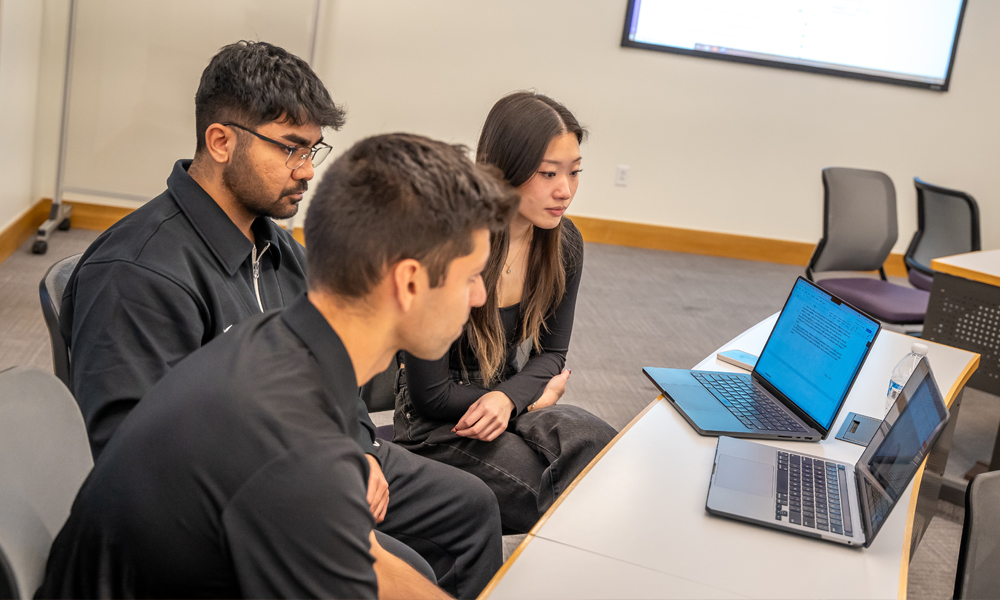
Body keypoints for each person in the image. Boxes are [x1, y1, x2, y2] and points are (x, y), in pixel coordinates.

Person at [59, 41, 502, 598]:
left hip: (300, 449)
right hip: (218, 509)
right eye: (292, 149)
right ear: (220, 141)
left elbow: (323, 372)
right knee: (404, 562)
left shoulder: (276, 248)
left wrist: (357, 450)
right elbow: (126, 452)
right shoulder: (137, 272)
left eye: (314, 151)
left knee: (467, 506)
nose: (307, 171)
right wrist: (335, 472)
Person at [394, 91, 618, 534]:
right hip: (436, 422)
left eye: (574, 173)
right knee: (555, 496)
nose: (565, 190)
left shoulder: (563, 243)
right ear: (504, 173)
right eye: (548, 173)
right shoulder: (449, 242)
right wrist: (526, 399)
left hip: (504, 397)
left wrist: (511, 399)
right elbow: (431, 395)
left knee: (602, 449)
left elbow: (552, 355)